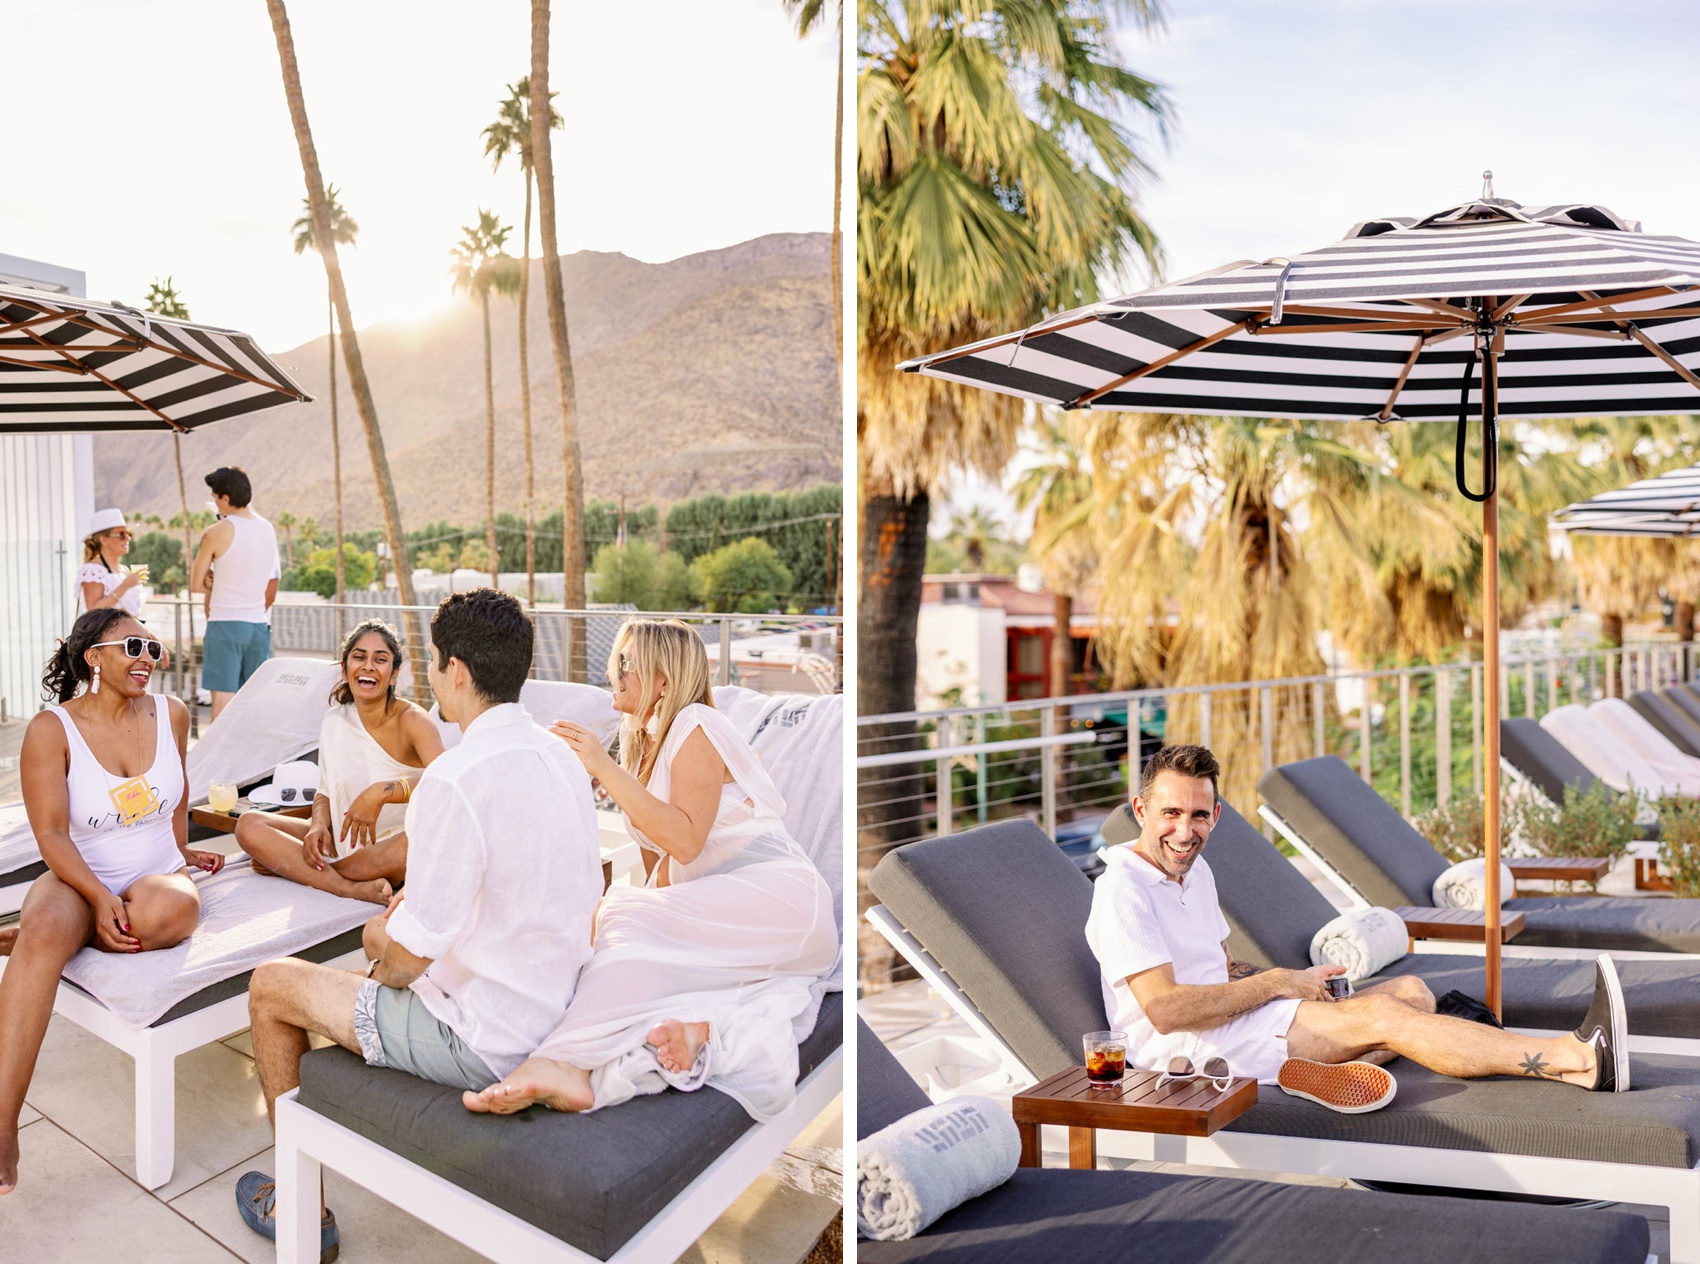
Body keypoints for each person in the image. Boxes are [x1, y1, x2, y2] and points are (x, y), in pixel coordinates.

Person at [233, 588, 602, 1259]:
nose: (434, 676)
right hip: (560, 1009)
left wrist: (378, 958)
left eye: (432, 662)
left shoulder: (455, 778)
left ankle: (299, 1208)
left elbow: (406, 965)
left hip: (488, 1036)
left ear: (457, 671)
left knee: (271, 986)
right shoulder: (564, 759)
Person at [1086, 743, 1629, 1113]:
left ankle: (1320, 1069)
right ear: (1140, 810)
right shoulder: (1123, 890)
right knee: (1388, 1016)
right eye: (1170, 814)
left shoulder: (1195, 871)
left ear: (1216, 815)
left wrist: (1302, 983)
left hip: (1237, 1018)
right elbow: (1166, 1010)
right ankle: (1577, 1058)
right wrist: (1277, 984)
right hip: (1188, 1050)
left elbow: (1223, 968)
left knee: (1412, 992)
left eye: (1199, 815)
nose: (1185, 831)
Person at [462, 618, 837, 1123]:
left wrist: (602, 767)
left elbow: (683, 842)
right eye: (615, 659)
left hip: (781, 899)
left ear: (663, 680)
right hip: (729, 910)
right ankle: (695, 1033)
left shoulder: (697, 725)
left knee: (619, 918)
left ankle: (563, 1063)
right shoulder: (643, 745)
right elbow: (658, 867)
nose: (613, 672)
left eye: (626, 663)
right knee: (613, 934)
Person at [0, 608, 226, 1196]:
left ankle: (43, 939)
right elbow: (50, 833)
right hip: (81, 870)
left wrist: (181, 850)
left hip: (155, 873)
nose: (147, 659)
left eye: (154, 649)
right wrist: (97, 896)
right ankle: (2, 1124)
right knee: (50, 921)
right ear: (93, 657)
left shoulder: (171, 713)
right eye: (132, 646)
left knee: (175, 911)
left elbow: (177, 794)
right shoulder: (52, 730)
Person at [234, 619, 442, 904]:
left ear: (393, 675)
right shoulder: (334, 720)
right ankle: (347, 886)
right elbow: (325, 791)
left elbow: (447, 778)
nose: (368, 666)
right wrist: (318, 825)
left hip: (388, 848)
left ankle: (303, 869)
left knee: (414, 846)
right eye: (359, 657)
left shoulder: (413, 720)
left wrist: (382, 792)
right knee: (248, 824)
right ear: (345, 669)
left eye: (380, 660)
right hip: (340, 841)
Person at [190, 466, 281, 722]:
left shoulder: (215, 532)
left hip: (226, 625)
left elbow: (195, 584)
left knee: (223, 702)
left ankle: (221, 762)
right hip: (258, 627)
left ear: (225, 499)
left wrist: (212, 583)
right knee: (253, 701)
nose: (216, 504)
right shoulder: (268, 528)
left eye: (216, 498)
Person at [75, 508, 147, 617]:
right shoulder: (93, 570)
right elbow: (93, 611)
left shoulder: (124, 570)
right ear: (103, 540)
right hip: (109, 633)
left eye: (128, 534)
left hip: (131, 630)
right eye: (121, 534)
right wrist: (125, 585)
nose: (127, 538)